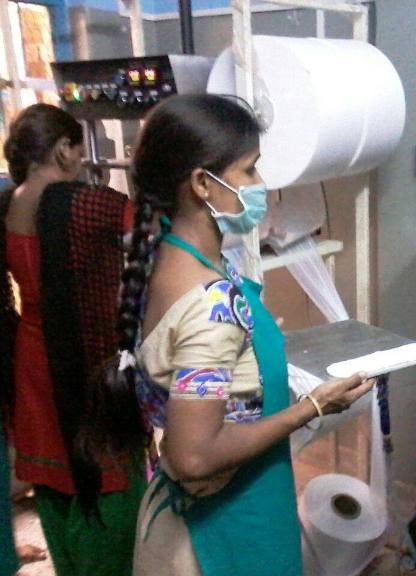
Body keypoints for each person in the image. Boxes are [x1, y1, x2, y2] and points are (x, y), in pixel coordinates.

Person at [116, 94, 373, 576]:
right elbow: (193, 456)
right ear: (202, 185)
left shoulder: (169, 261)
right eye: (250, 170)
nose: (261, 185)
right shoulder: (211, 305)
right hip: (227, 532)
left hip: (218, 509)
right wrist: (312, 408)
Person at [0, 103, 146, 576]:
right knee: (104, 473)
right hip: (86, 360)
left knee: (54, 479)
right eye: (80, 150)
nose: (82, 160)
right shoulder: (87, 203)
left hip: (32, 356)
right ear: (64, 149)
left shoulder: (7, 202)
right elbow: (150, 229)